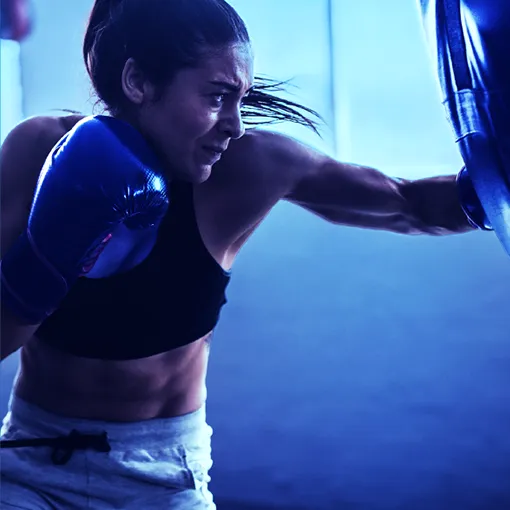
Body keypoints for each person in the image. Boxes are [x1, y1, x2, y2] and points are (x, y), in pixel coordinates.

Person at [0, 0, 491, 508]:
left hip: (160, 478)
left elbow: (408, 204)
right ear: (137, 81)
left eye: (241, 99)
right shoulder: (36, 151)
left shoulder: (251, 169)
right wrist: (48, 251)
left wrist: (495, 184)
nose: (234, 124)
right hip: (31, 463)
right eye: (217, 97)